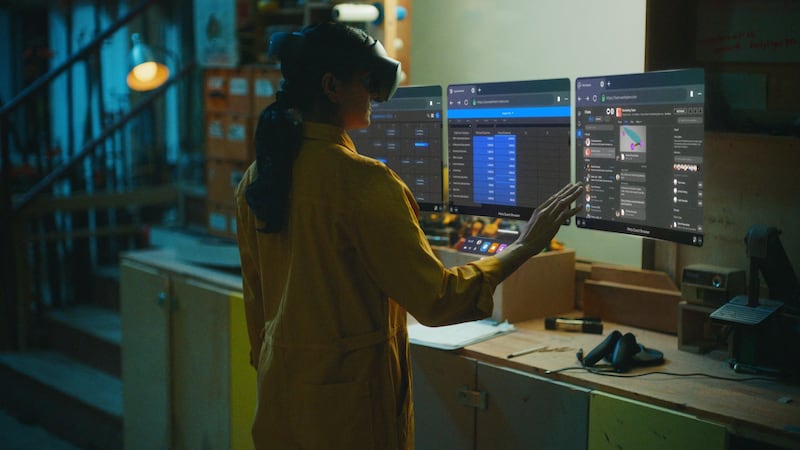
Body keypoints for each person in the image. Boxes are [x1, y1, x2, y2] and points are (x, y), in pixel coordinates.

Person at [234, 22, 583, 450]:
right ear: (331, 87)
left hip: (280, 404)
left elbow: (257, 301)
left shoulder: (258, 175)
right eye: (367, 83)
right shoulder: (364, 182)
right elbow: (437, 299)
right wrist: (525, 246)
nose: (376, 96)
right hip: (347, 417)